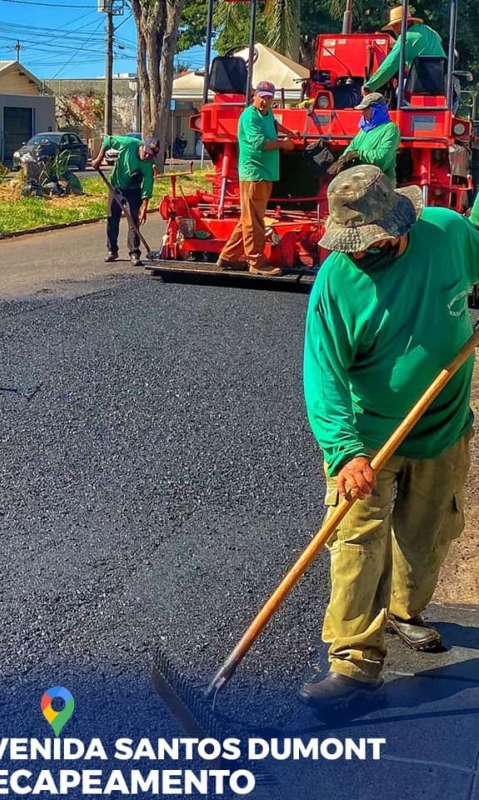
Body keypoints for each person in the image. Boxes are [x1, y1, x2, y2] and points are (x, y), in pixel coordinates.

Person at [300, 164, 479, 717]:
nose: (357, 253)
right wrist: (345, 451)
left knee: (429, 534)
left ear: (398, 226)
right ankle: (354, 665)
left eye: (368, 243)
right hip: (368, 434)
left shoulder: (449, 235)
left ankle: (406, 609)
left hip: (444, 423)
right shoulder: (335, 283)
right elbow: (323, 375)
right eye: (349, 244)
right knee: (355, 541)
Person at [217, 81, 295, 276]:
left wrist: (289, 132)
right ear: (254, 96)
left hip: (265, 173)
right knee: (255, 221)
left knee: (248, 218)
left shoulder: (267, 113)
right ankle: (256, 262)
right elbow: (260, 143)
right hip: (254, 174)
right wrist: (283, 144)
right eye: (262, 96)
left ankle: (228, 256)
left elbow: (274, 123)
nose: (265, 101)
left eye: (269, 97)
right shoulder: (250, 117)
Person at [90, 135, 159, 267]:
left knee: (134, 220)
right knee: (112, 218)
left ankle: (134, 253)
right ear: (142, 147)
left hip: (134, 190)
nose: (147, 157)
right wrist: (99, 159)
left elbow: (147, 186)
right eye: (146, 153)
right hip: (116, 187)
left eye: (151, 156)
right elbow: (107, 141)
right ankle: (112, 250)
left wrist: (144, 209)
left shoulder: (149, 164)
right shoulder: (129, 144)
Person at [362, 5, 446, 95]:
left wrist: (370, 87)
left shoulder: (405, 38)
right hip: (444, 83)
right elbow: (439, 39)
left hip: (423, 84)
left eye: (395, 25)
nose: (394, 29)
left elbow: (390, 64)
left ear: (404, 23)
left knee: (399, 92)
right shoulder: (428, 30)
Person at [328, 93, 400, 186]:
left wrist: (358, 154)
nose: (363, 113)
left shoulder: (391, 129)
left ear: (376, 110)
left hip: (381, 184)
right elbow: (352, 146)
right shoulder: (365, 129)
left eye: (366, 109)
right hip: (360, 181)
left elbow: (382, 157)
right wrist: (342, 159)